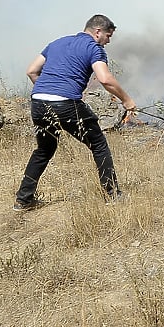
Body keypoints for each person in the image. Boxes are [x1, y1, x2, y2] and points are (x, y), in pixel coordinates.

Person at [13, 14, 137, 211]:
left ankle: (23, 200)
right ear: (97, 32)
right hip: (65, 103)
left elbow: (31, 71)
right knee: (98, 144)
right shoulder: (93, 48)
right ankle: (113, 194)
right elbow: (105, 79)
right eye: (108, 35)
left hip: (38, 102)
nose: (108, 41)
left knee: (44, 150)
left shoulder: (57, 43)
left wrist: (49, 92)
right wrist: (127, 100)